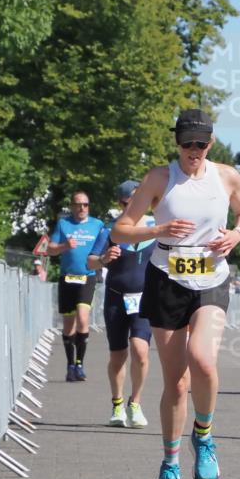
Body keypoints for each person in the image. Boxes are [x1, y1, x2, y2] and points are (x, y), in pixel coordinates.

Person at [111, 108, 240, 479]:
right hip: (167, 279)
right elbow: (120, 231)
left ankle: (203, 435)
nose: (194, 150)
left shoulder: (227, 176)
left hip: (212, 279)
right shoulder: (159, 178)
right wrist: (158, 229)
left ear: (211, 143)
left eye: (200, 144)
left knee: (203, 360)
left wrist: (237, 235)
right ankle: (170, 464)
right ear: (176, 142)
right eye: (187, 143)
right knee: (176, 382)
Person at [88, 180, 155, 429]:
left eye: (139, 201)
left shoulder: (155, 227)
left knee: (140, 351)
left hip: (145, 299)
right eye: (128, 203)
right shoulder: (110, 230)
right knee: (118, 355)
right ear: (121, 203)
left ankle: (135, 403)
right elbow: (90, 262)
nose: (133, 207)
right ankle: (117, 404)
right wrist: (104, 259)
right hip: (116, 298)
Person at [47, 191, 105, 382]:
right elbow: (50, 249)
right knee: (68, 324)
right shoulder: (63, 224)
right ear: (72, 206)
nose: (82, 208)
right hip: (67, 278)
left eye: (85, 204)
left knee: (82, 317)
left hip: (87, 277)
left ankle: (80, 363)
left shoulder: (97, 225)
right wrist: (64, 246)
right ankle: (70, 365)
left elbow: (107, 244)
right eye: (78, 204)